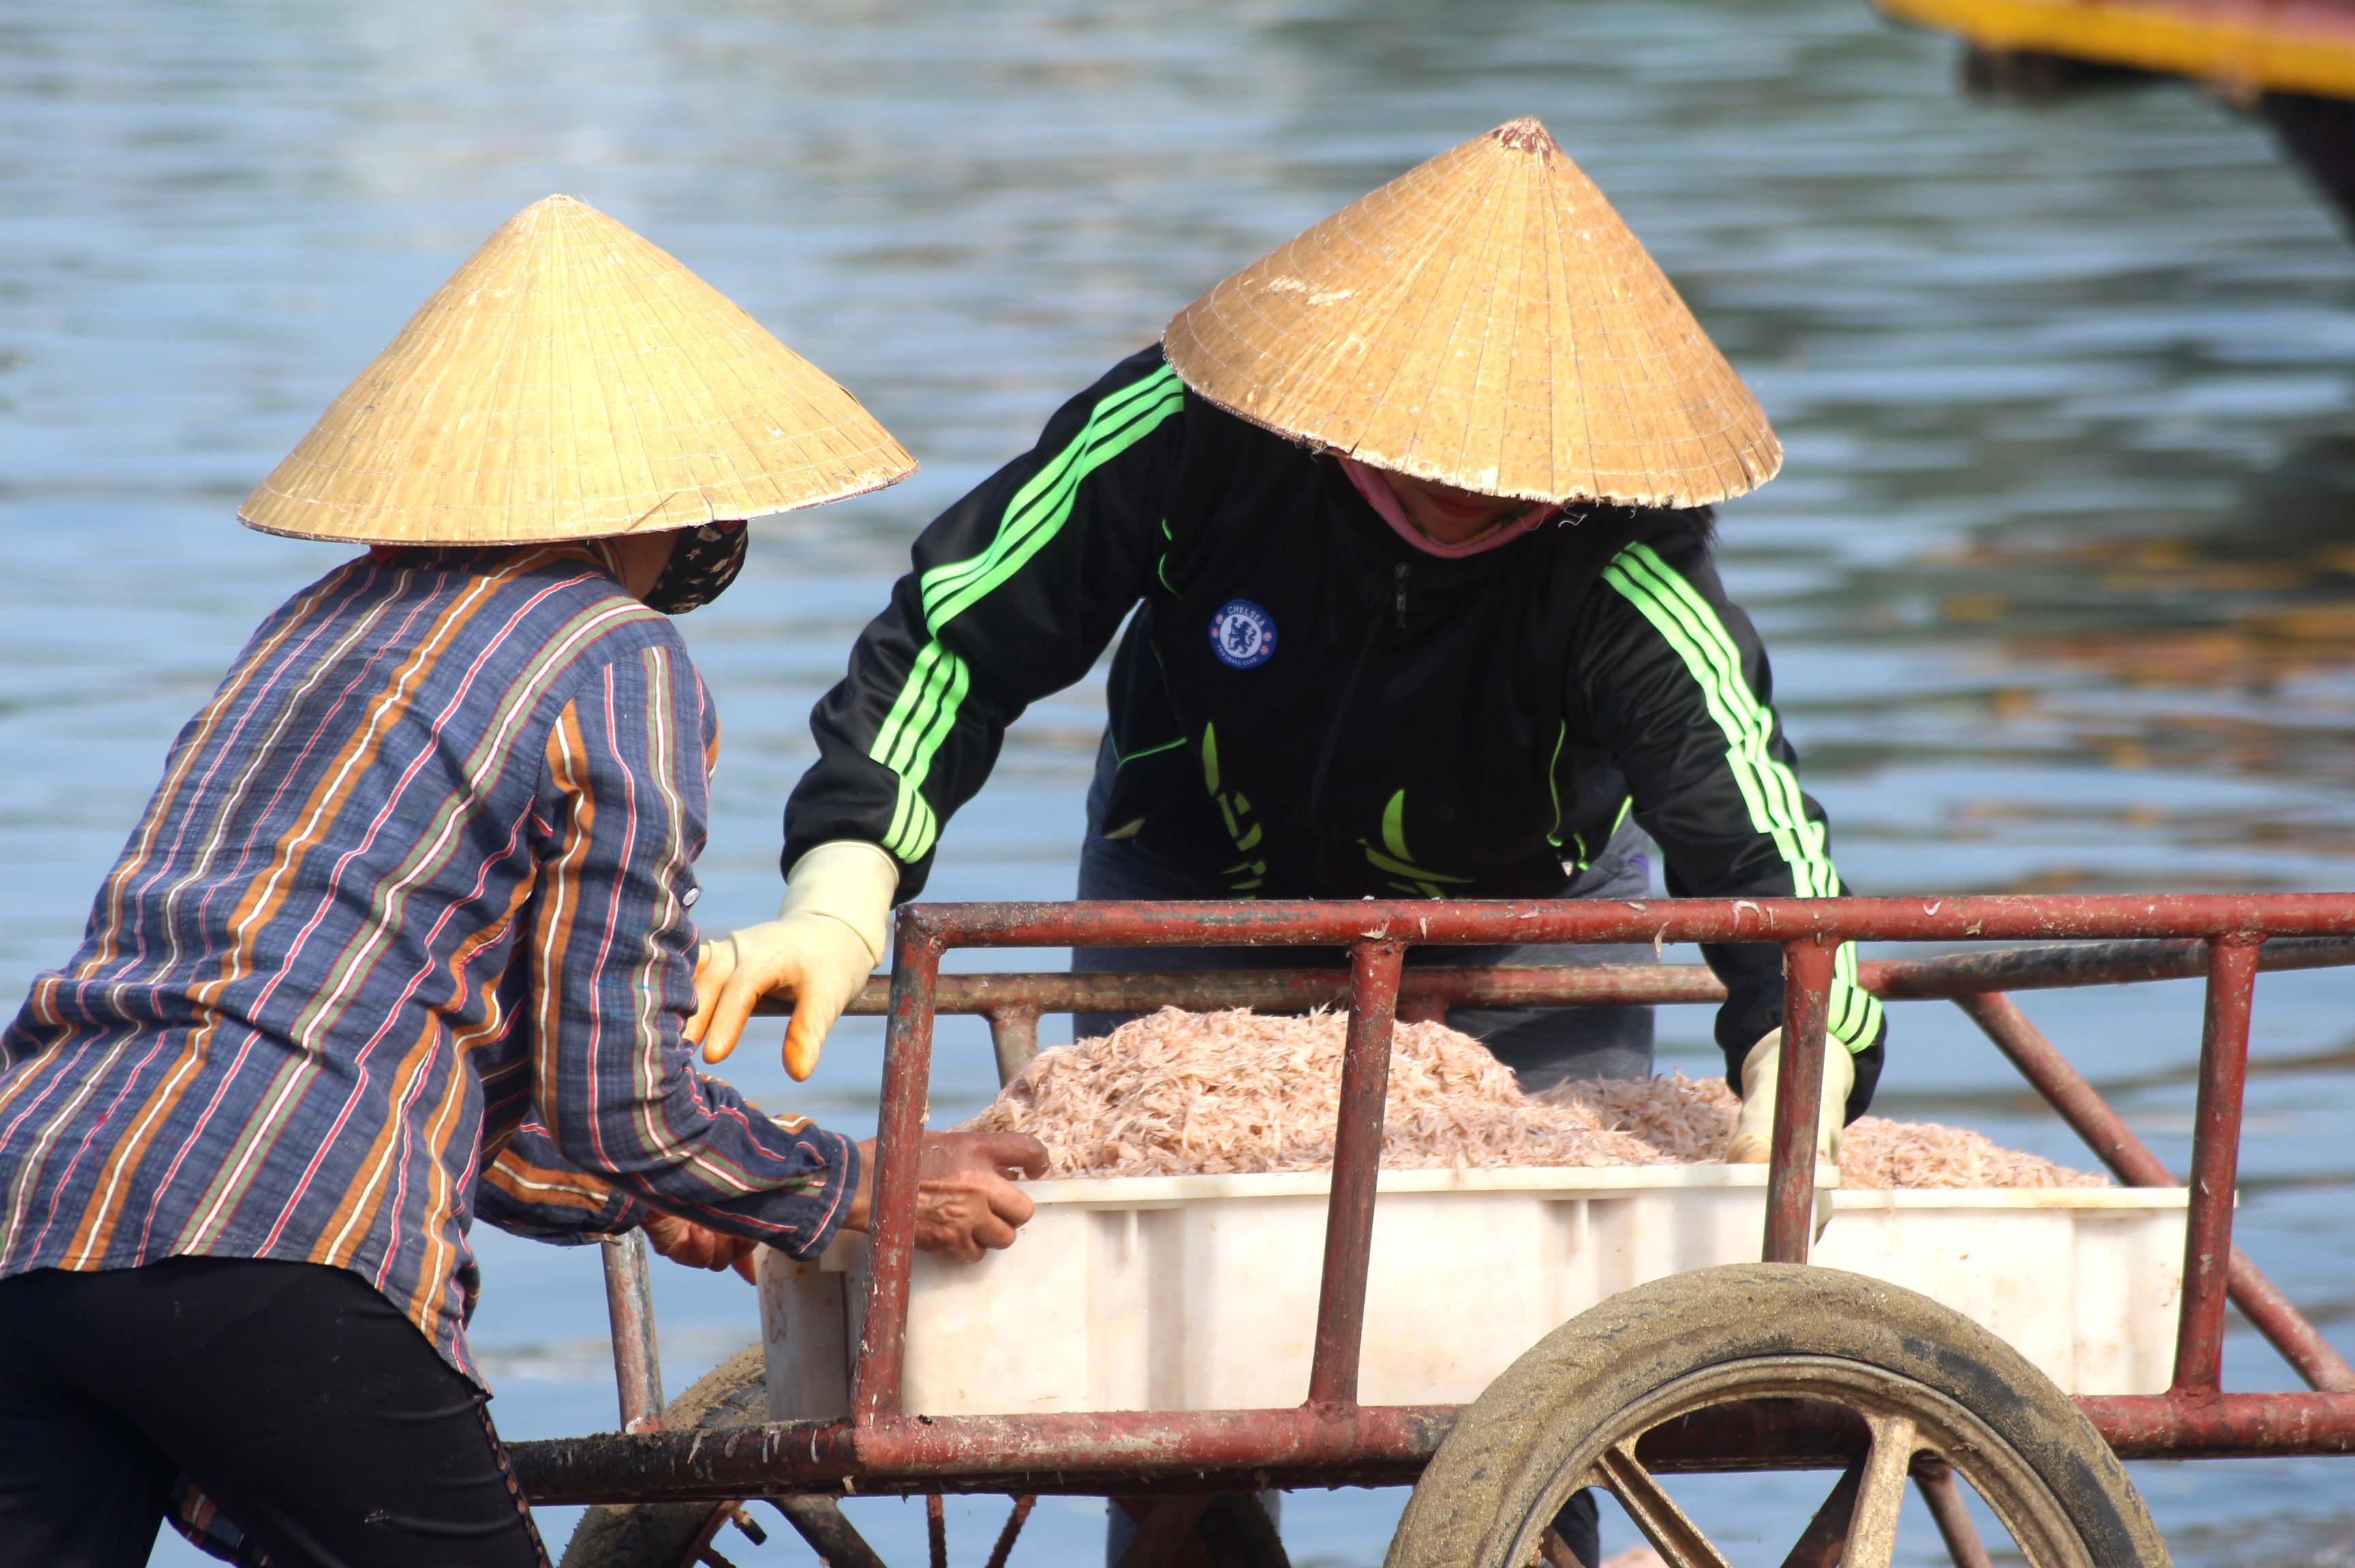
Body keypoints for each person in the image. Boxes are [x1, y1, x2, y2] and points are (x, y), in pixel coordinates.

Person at [696, 119, 1888, 1568]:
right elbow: (956, 636)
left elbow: (1754, 832)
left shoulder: (1622, 565)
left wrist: (1804, 1056)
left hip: (1521, 935)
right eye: (1430, 450)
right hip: (1194, 898)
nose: (1465, 486)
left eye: (1509, 468)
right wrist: (841, 895)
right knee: (1165, 1381)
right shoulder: (1191, 436)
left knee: (1546, 1371)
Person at [0, 195, 1044, 1568]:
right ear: (674, 502)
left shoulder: (309, 627)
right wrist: (868, 1183)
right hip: (271, 1247)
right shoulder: (616, 660)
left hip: (33, 1204)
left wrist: (668, 1191)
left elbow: (374, 1034)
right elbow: (623, 1102)